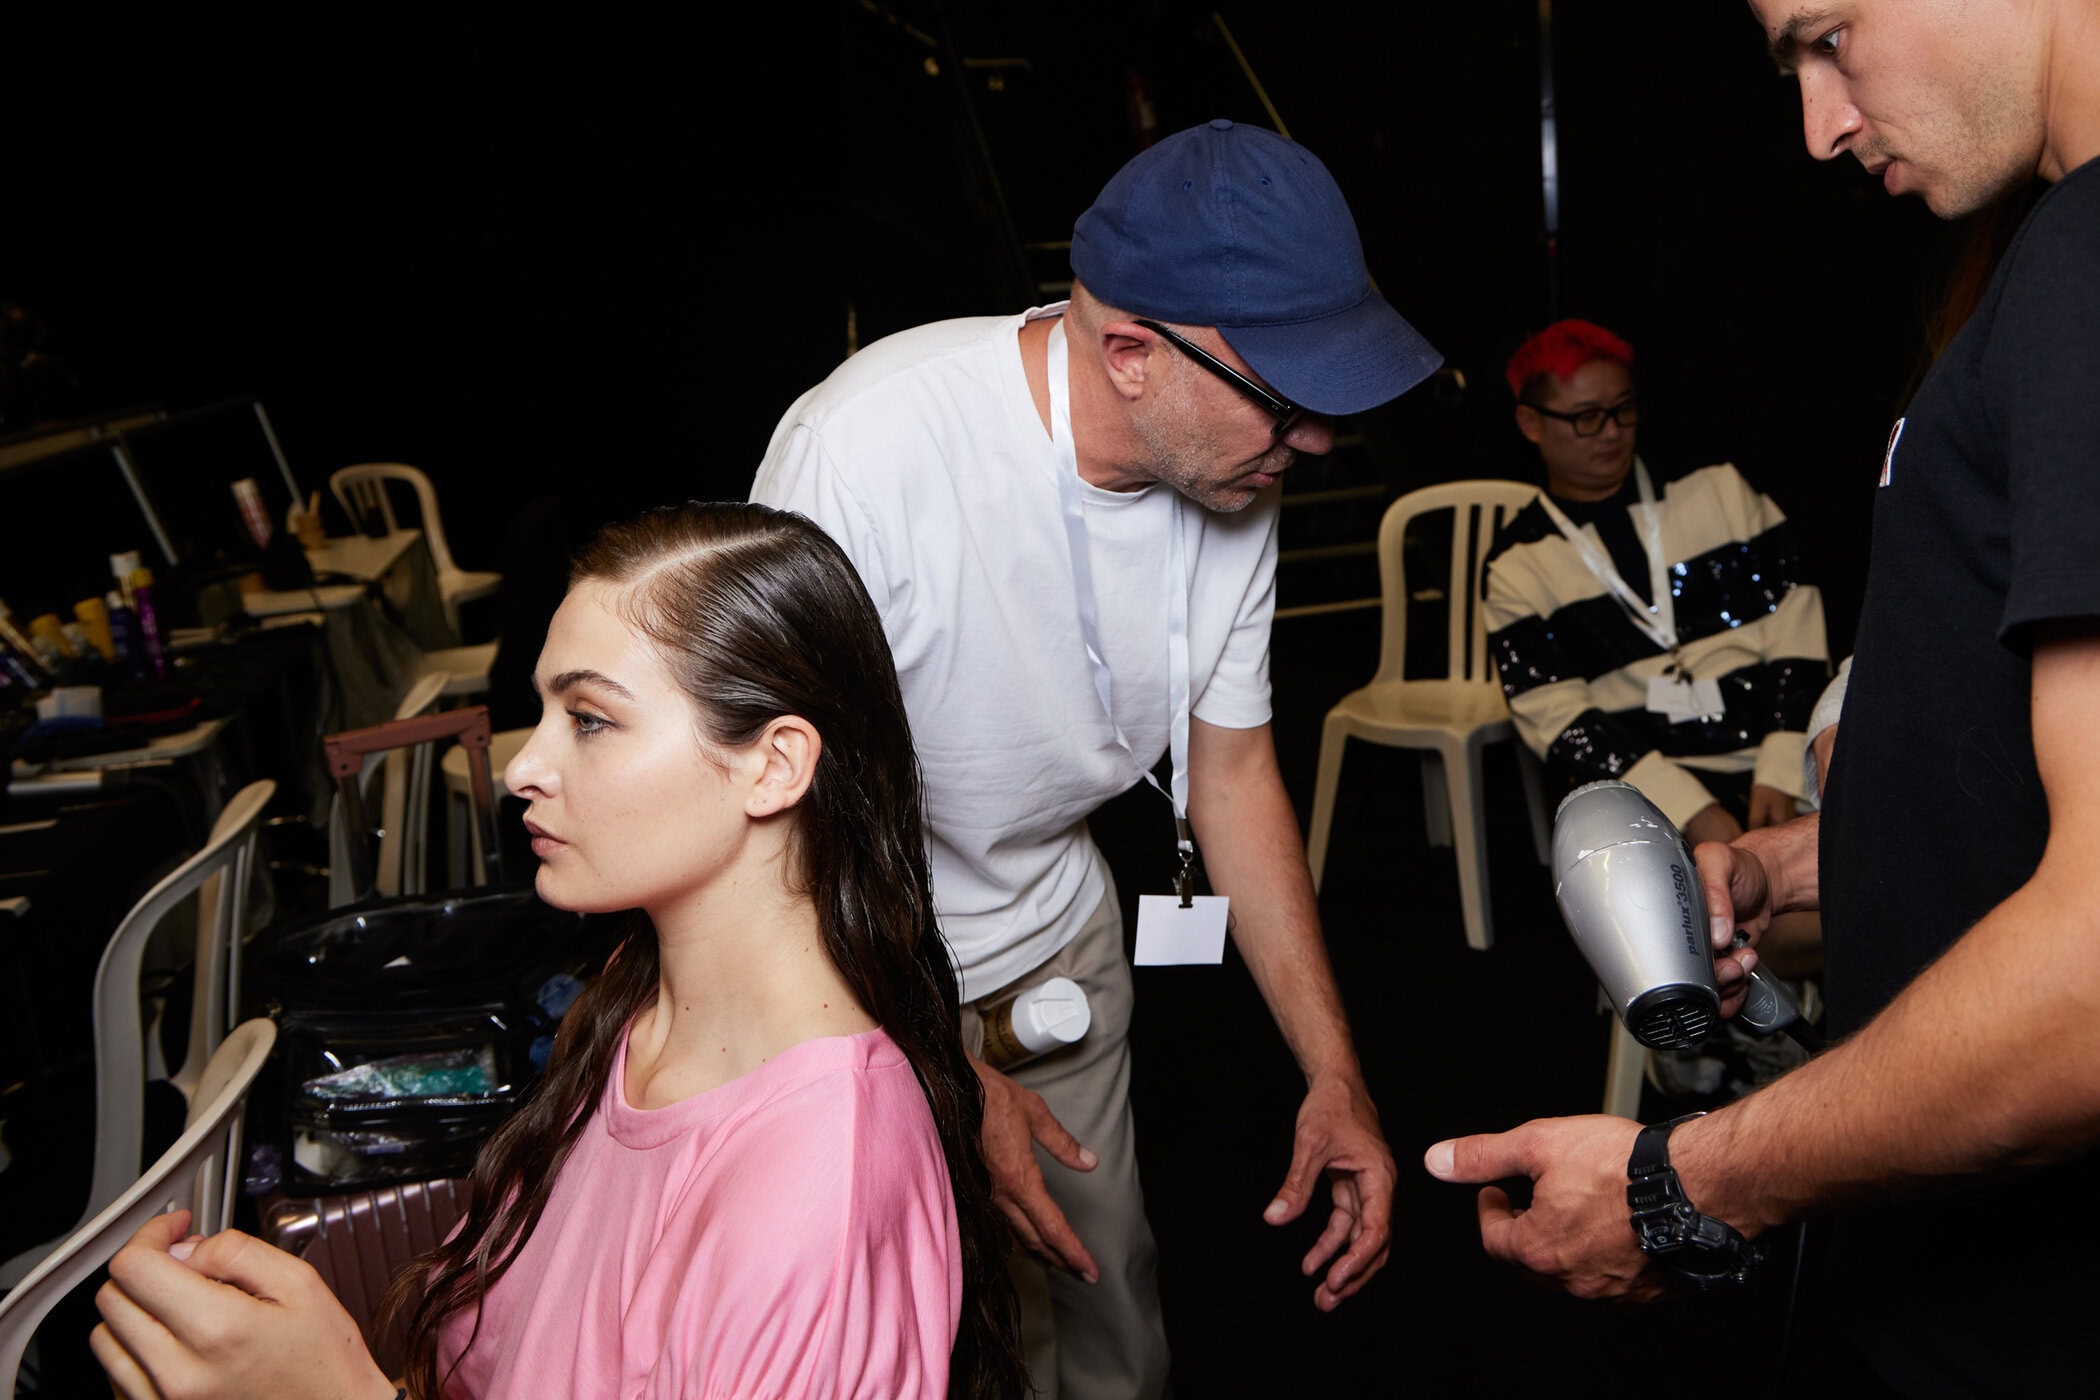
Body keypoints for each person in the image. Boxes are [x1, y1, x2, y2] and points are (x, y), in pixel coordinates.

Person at [1425, 0, 2100, 1392]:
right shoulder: (2046, 262)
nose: (1819, 125)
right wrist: (1830, 854)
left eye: (1829, 34)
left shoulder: (2091, 265)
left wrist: (1693, 1179)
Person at [753, 119, 1436, 1397]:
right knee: (910, 1342)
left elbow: (1231, 773)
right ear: (1129, 352)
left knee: (1107, 1323)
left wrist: (1335, 1071)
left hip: (1061, 947)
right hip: (849, 969)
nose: (1319, 443)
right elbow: (769, 827)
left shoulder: (1237, 477)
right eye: (1288, 403)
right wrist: (939, 1069)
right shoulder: (866, 451)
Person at [88, 503, 1026, 1399]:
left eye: (589, 721)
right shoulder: (629, 1003)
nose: (522, 768)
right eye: (546, 714)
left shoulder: (820, 1178)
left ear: (772, 764)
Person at [1483, 319, 1829, 849]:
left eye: (1623, 408)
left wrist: (1782, 765)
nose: (1612, 431)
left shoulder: (1719, 491)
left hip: (1780, 757)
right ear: (1530, 423)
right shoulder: (1517, 566)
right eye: (1586, 418)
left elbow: (1797, 624)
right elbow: (1558, 719)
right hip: (1647, 792)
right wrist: (1691, 808)